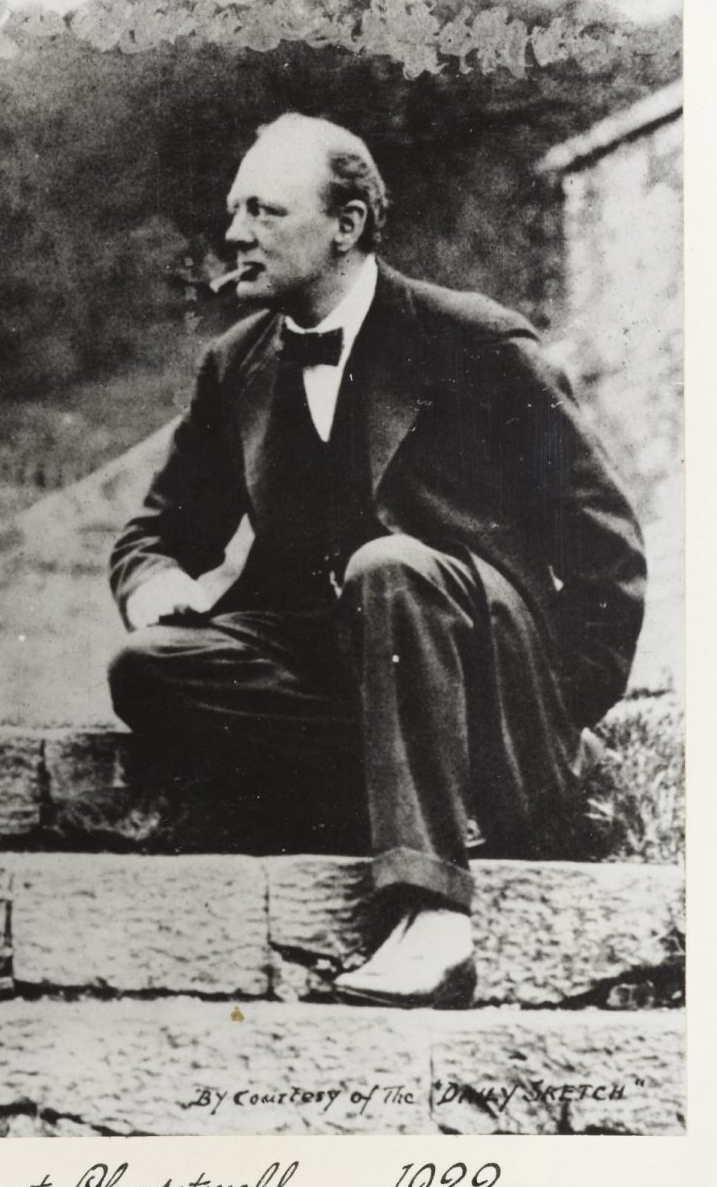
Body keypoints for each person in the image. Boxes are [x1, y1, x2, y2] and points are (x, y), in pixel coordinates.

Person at [108, 114, 645, 1007]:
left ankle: (433, 917)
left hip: (478, 667)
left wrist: (554, 721)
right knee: (150, 667)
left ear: (347, 226)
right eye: (234, 210)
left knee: (390, 565)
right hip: (328, 677)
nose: (235, 233)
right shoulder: (235, 362)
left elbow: (606, 550)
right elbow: (155, 535)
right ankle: (394, 807)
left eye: (266, 211)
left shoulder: (474, 340)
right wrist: (157, 580)